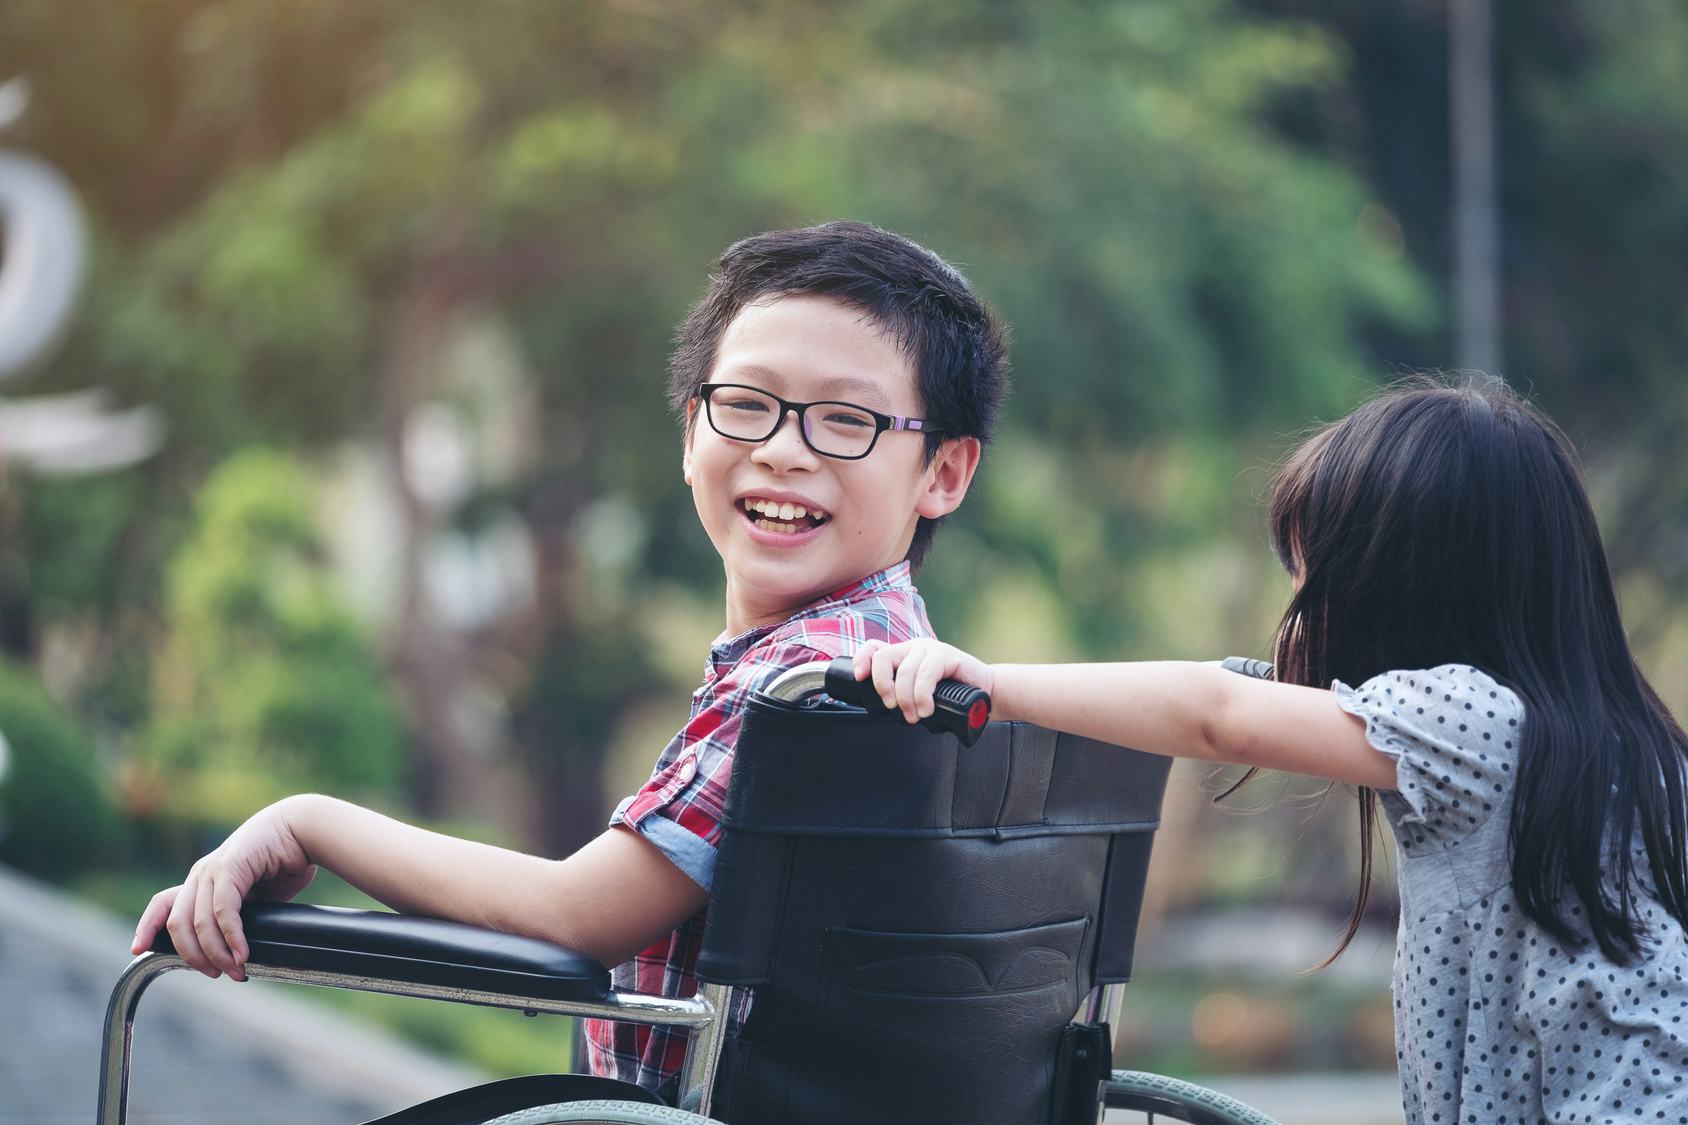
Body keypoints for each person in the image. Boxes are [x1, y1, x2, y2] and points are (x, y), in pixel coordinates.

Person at [131, 220, 1011, 1100]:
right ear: (689, 434)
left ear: (945, 471)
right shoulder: (899, 654)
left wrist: (306, 821)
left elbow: (576, 916)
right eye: (746, 403)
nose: (783, 448)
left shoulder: (817, 683)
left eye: (845, 420)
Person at [854, 376, 1688, 1124]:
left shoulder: (1481, 721)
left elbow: (1218, 714)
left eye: (1309, 568)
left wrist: (989, 680)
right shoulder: (1595, 739)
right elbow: (1232, 690)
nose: (1299, 598)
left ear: (1405, 582)